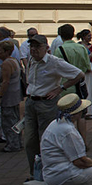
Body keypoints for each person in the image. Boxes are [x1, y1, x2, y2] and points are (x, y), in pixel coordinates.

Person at [24, 34, 85, 177]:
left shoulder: (54, 62)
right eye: (32, 46)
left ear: (46, 48)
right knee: (29, 141)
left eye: (37, 46)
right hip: (31, 102)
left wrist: (60, 88)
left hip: (47, 103)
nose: (34, 49)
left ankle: (46, 173)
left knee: (45, 139)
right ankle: (34, 173)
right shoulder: (31, 61)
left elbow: (79, 74)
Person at [52, 24, 92, 142]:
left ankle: (69, 141)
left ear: (61, 35)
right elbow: (86, 66)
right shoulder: (81, 48)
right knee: (81, 114)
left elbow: (55, 68)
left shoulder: (59, 50)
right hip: (80, 86)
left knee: (66, 115)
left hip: (66, 87)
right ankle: (83, 141)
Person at [0, 41, 23, 152]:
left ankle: (12, 144)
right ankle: (17, 142)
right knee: (14, 120)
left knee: (8, 121)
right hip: (14, 95)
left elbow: (5, 82)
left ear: (6, 51)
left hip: (8, 96)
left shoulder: (6, 64)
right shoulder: (13, 61)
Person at [77, 29, 92, 118]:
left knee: (89, 89)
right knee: (85, 88)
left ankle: (89, 110)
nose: (90, 37)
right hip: (84, 68)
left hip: (87, 69)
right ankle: (85, 110)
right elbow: (87, 58)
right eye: (88, 36)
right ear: (83, 37)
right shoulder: (81, 46)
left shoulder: (85, 46)